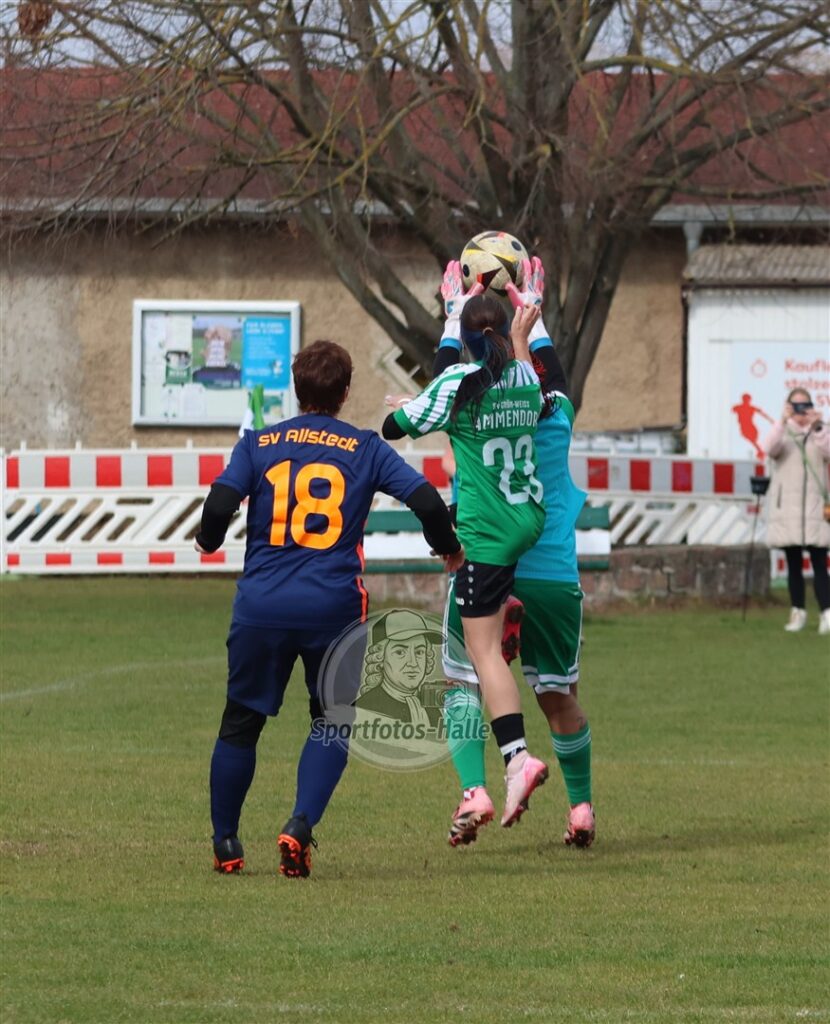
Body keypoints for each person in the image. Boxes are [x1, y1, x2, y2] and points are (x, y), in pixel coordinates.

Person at [195, 340, 464, 878]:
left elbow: (221, 502)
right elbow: (427, 502)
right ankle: (299, 825)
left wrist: (208, 540)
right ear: (345, 393)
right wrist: (449, 548)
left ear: (297, 390)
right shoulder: (364, 448)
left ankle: (226, 842)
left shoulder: (259, 442)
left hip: (263, 604)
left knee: (241, 722)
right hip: (333, 607)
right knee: (332, 721)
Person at [435, 258, 595, 847]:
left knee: (464, 680)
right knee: (558, 695)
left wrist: (453, 313)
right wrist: (532, 310)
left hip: (487, 559)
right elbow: (552, 376)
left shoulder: (469, 405)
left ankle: (474, 789)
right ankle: (581, 809)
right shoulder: (557, 413)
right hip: (551, 569)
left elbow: (446, 374)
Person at [381, 275, 549, 829]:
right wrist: (522, 327)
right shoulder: (525, 376)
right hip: (525, 518)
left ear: (467, 338)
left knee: (481, 657)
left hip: (486, 534)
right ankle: (505, 607)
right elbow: (521, 376)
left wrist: (415, 402)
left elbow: (392, 427)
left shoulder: (456, 381)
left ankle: (517, 761)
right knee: (481, 645)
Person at [762, 387, 830, 634]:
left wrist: (818, 426)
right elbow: (770, 449)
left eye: (805, 405)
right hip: (788, 508)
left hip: (814, 507)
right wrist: (782, 421)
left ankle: (826, 613)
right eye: (796, 406)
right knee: (793, 563)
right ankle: (797, 612)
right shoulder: (783, 431)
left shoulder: (820, 431)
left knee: (819, 561)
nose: (801, 412)